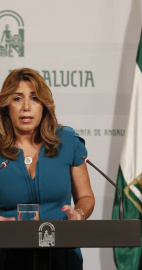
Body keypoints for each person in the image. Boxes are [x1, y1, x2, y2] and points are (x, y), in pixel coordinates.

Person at [0, 68, 95, 270]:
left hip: (62, 255)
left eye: (34, 98)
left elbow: (86, 197)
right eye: (17, 99)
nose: (26, 107)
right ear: (6, 106)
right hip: (7, 256)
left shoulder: (67, 141)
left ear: (44, 105)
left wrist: (79, 213)